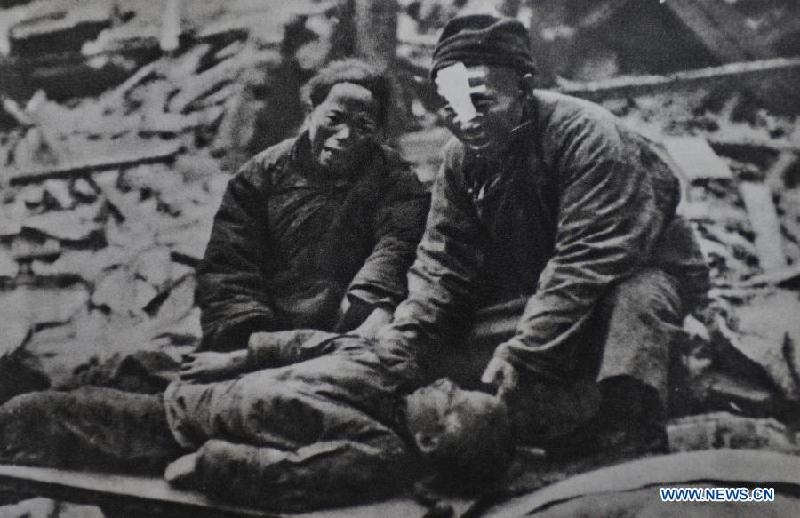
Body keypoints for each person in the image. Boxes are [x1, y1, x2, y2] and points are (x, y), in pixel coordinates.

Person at [377, 14, 710, 456]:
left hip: (631, 273)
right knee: (442, 346)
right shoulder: (462, 156)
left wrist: (525, 353)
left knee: (636, 304)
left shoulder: (589, 138)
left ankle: (633, 432)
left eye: (480, 100)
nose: (465, 119)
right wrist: (407, 337)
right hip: (546, 284)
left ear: (524, 89)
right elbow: (444, 262)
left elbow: (585, 260)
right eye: (451, 107)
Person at [0, 331, 513, 512]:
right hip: (198, 384)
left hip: (171, 428)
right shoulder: (387, 370)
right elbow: (314, 343)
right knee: (100, 368)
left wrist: (207, 464)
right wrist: (238, 357)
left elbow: (285, 474)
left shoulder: (379, 451)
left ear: (427, 442)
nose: (446, 386)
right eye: (458, 386)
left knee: (32, 416)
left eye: (452, 404)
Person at [197, 58, 429, 352]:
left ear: (377, 133)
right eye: (334, 119)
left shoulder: (395, 180)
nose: (345, 136)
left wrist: (363, 303)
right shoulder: (260, 175)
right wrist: (253, 338)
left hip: (348, 329)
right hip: (261, 330)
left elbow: (397, 246)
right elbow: (229, 263)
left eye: (363, 125)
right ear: (310, 113)